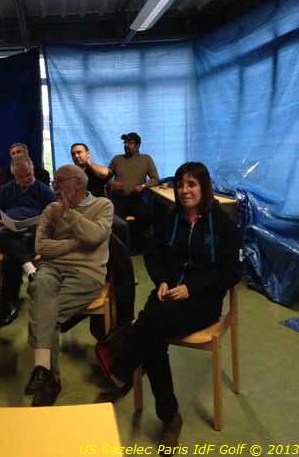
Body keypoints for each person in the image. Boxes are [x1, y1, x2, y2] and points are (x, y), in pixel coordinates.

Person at [95, 162, 242, 453]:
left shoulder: (223, 225)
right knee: (152, 337)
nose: (185, 190)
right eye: (180, 185)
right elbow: (153, 255)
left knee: (149, 322)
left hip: (202, 300)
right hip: (167, 293)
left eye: (192, 184)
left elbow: (232, 272)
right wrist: (162, 280)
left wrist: (192, 288)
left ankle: (120, 371)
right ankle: (170, 417)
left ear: (204, 187)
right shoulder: (170, 219)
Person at [24, 165, 113, 406]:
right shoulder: (50, 209)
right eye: (55, 181)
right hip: (51, 268)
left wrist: (68, 213)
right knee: (41, 282)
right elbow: (41, 247)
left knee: (44, 312)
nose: (55, 185)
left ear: (78, 183)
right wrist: (76, 243)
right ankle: (45, 373)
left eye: (61, 181)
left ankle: (48, 377)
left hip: (86, 273)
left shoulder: (103, 205)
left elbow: (94, 236)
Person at [71, 143, 134, 330]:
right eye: (73, 154)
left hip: (102, 212)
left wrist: (88, 163)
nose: (76, 156)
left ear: (87, 153)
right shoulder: (71, 175)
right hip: (84, 216)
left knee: (122, 226)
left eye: (79, 152)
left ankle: (122, 260)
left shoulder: (94, 171)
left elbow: (104, 174)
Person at [0, 155, 57, 328]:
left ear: (33, 170)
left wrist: (41, 226)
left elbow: (55, 216)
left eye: (28, 174)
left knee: (10, 258)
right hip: (9, 232)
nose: (25, 179)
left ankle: (8, 308)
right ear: (14, 176)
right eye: (20, 177)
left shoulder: (44, 190)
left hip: (33, 234)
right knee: (0, 233)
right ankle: (29, 268)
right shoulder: (6, 189)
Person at [108, 132, 159, 252]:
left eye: (130, 143)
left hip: (135, 198)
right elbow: (106, 178)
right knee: (113, 220)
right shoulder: (117, 159)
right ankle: (119, 247)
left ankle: (134, 241)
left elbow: (155, 179)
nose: (126, 145)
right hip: (119, 199)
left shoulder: (146, 159)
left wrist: (143, 186)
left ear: (138, 145)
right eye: (125, 142)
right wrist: (112, 183)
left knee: (147, 216)